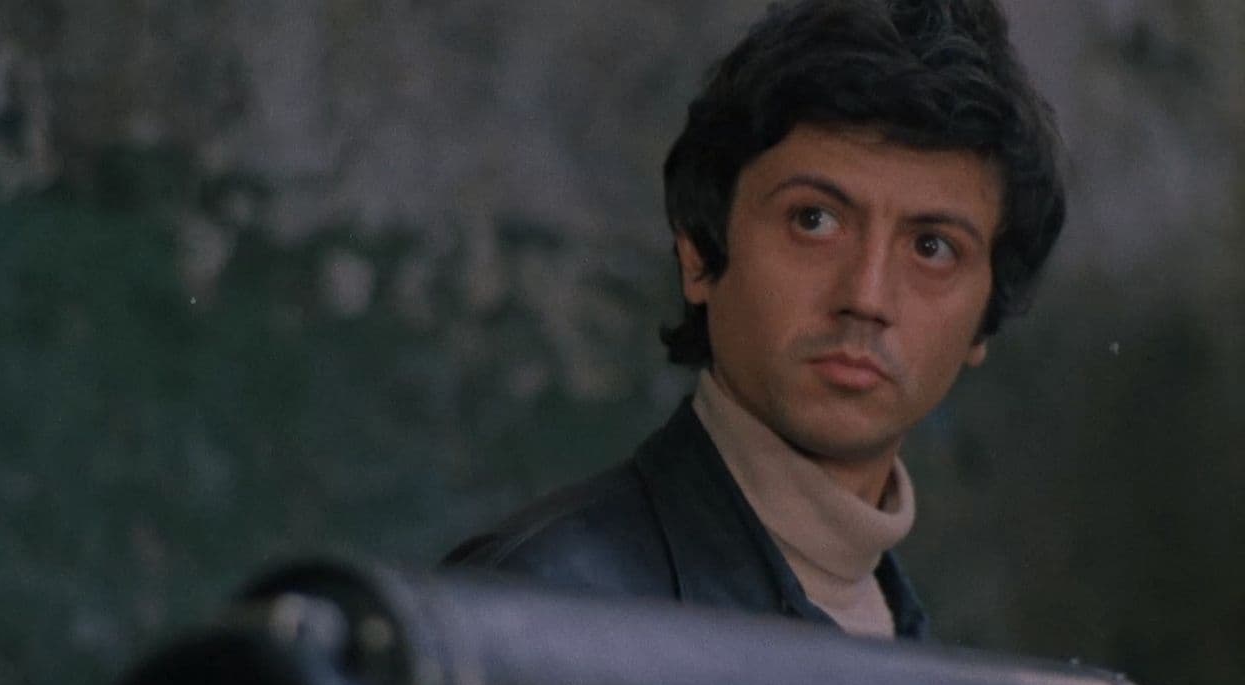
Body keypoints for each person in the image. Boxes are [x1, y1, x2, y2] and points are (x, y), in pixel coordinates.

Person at [443, 0, 1065, 641]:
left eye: (932, 247)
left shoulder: (909, 640)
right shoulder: (538, 607)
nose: (867, 296)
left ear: (983, 322)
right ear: (699, 255)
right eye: (814, 220)